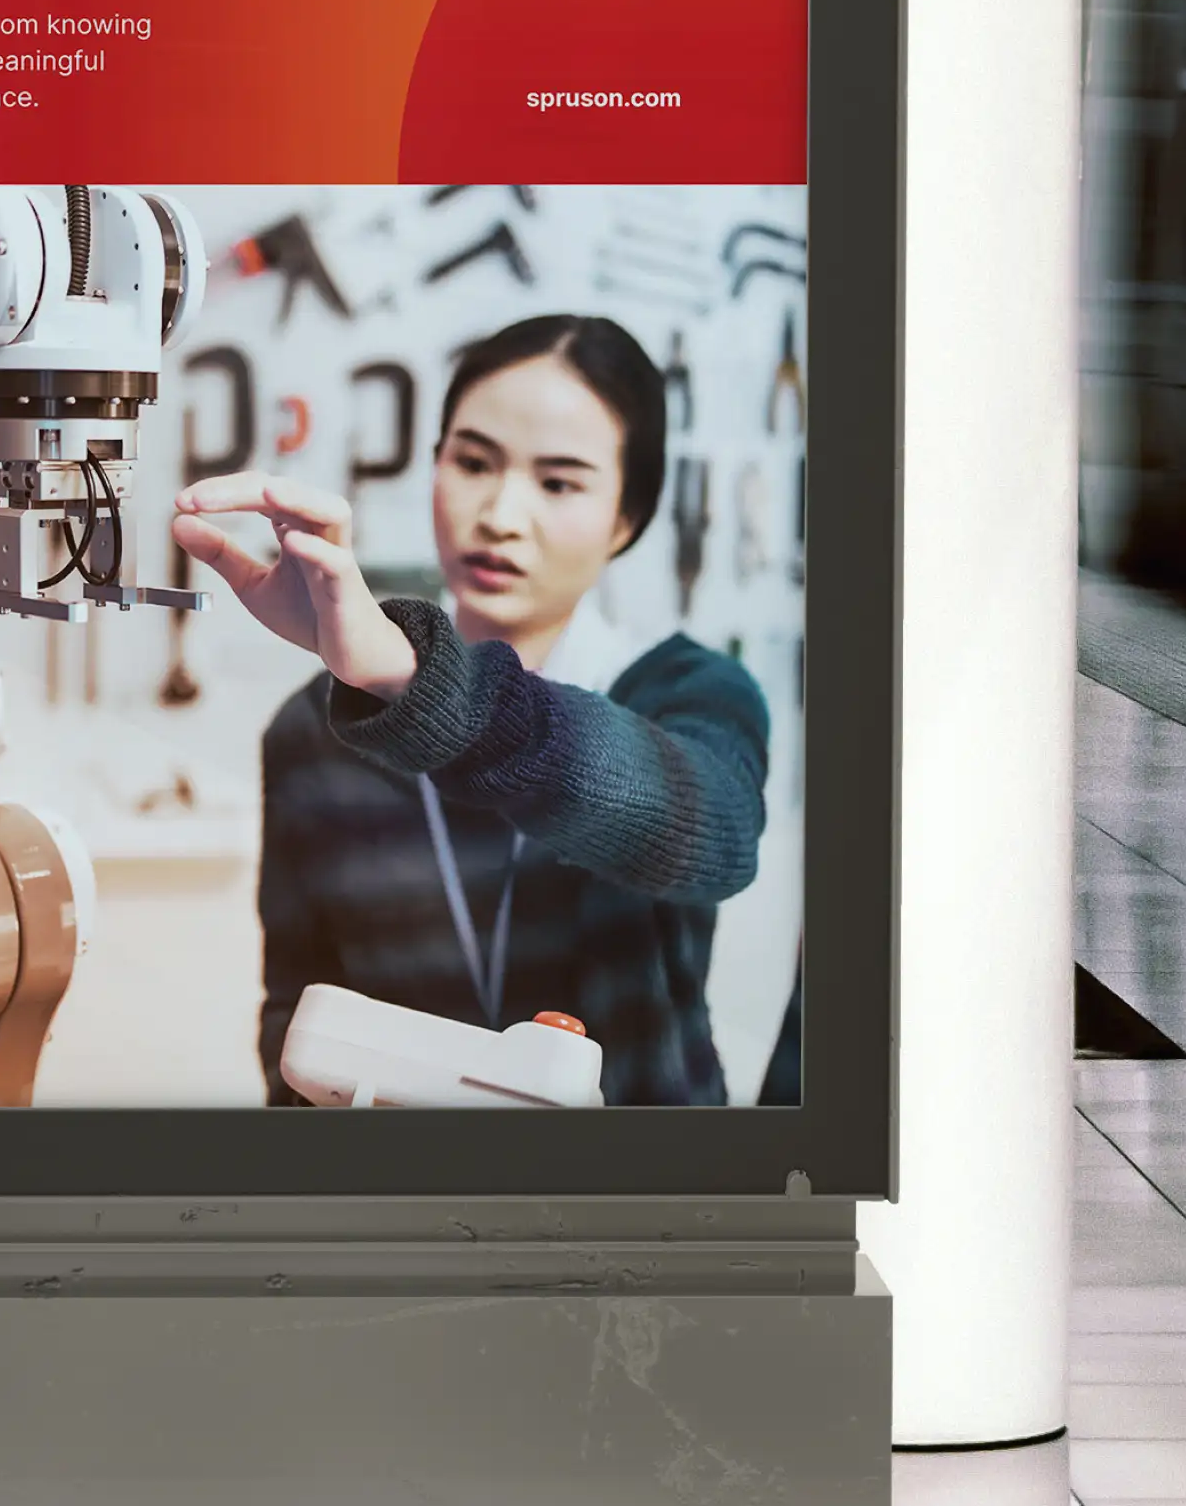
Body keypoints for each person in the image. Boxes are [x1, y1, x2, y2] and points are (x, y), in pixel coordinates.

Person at [179, 311, 769, 1106]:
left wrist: (408, 677)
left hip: (643, 1206)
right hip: (409, 1204)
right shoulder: (313, 729)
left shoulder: (685, 691)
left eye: (557, 481)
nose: (499, 514)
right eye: (472, 461)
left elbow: (716, 835)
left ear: (626, 516)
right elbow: (297, 1012)